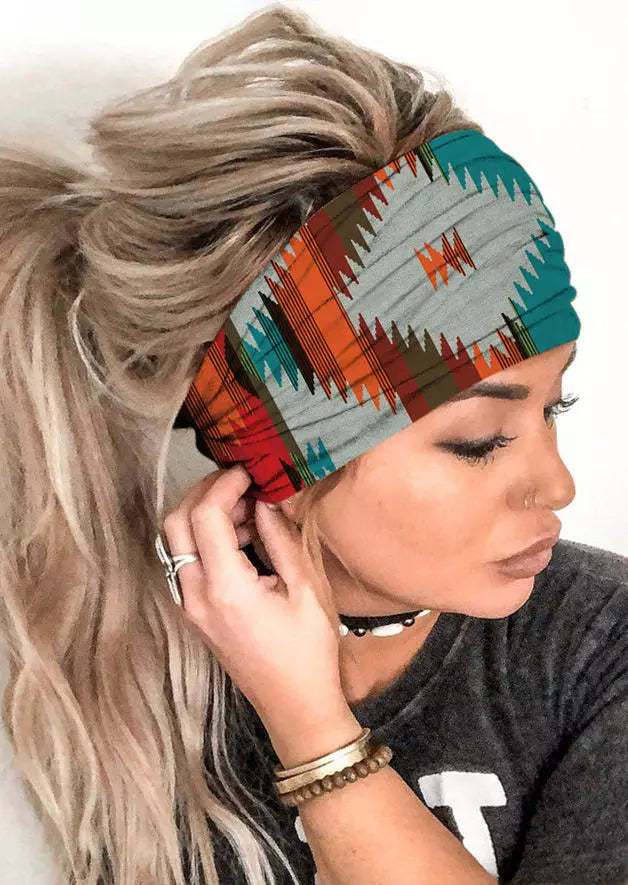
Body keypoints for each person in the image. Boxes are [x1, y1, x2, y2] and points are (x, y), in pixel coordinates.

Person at [0, 4, 625, 884]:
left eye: (556, 408)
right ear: (279, 458)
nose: (557, 485)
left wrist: (314, 730)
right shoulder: (118, 675)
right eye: (480, 441)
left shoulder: (598, 648)